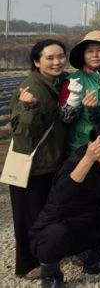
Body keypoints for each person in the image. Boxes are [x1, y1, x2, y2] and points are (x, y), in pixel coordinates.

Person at [30, 121, 100, 287]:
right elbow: (62, 196)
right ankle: (51, 277)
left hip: (91, 226)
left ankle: (99, 258)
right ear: (92, 145)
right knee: (55, 234)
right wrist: (89, 159)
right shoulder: (75, 162)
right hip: (62, 230)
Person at [7, 40, 68, 279]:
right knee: (28, 217)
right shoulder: (31, 87)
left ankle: (43, 256)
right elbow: (22, 130)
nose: (57, 62)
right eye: (50, 58)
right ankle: (27, 265)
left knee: (42, 214)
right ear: (36, 61)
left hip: (48, 162)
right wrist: (29, 107)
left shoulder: (53, 83)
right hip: (31, 166)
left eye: (60, 56)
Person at [59, 30, 100, 155]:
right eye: (89, 51)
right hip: (80, 146)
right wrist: (74, 101)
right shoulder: (72, 81)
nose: (95, 55)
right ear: (83, 55)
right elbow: (65, 119)